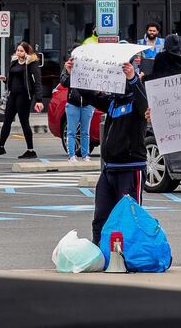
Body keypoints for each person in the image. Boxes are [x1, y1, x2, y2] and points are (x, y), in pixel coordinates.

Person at [77, 59, 148, 246]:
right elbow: (89, 95)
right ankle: (100, 252)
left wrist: (133, 79)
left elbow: (144, 105)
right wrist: (74, 73)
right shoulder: (113, 102)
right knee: (100, 217)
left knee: (130, 218)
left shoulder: (137, 98)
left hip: (131, 168)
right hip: (109, 169)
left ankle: (130, 256)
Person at [0, 41, 43, 159]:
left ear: (26, 52)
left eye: (21, 51)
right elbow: (13, 79)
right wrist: (5, 79)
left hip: (24, 96)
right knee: (7, 121)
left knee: (24, 122)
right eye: (17, 50)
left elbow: (37, 82)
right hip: (12, 95)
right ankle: (1, 147)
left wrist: (39, 99)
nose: (18, 52)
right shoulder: (14, 62)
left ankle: (31, 150)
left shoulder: (31, 63)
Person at [59, 51, 95, 162]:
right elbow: (64, 82)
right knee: (71, 131)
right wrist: (68, 71)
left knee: (85, 131)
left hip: (87, 103)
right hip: (73, 103)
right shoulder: (68, 68)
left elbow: (93, 83)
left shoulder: (88, 69)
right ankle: (71, 155)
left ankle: (85, 155)